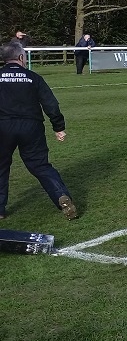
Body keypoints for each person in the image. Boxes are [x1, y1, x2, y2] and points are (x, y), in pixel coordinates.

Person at [0, 41, 77, 219]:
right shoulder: (33, 77)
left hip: (2, 126)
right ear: (20, 57)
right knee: (41, 166)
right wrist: (59, 127)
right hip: (31, 126)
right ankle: (61, 197)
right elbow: (51, 104)